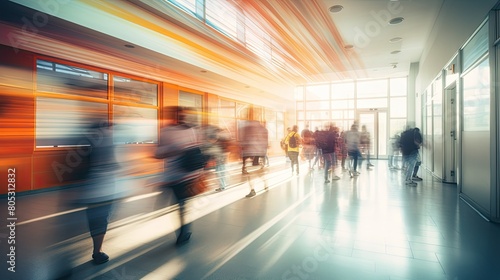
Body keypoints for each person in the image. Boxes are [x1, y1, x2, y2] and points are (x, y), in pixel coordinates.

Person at [155, 106, 205, 245]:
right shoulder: (189, 130)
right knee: (181, 205)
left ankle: (184, 231)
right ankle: (184, 230)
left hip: (181, 176)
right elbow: (197, 153)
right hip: (178, 176)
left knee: (181, 205)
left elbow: (158, 154)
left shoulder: (170, 131)